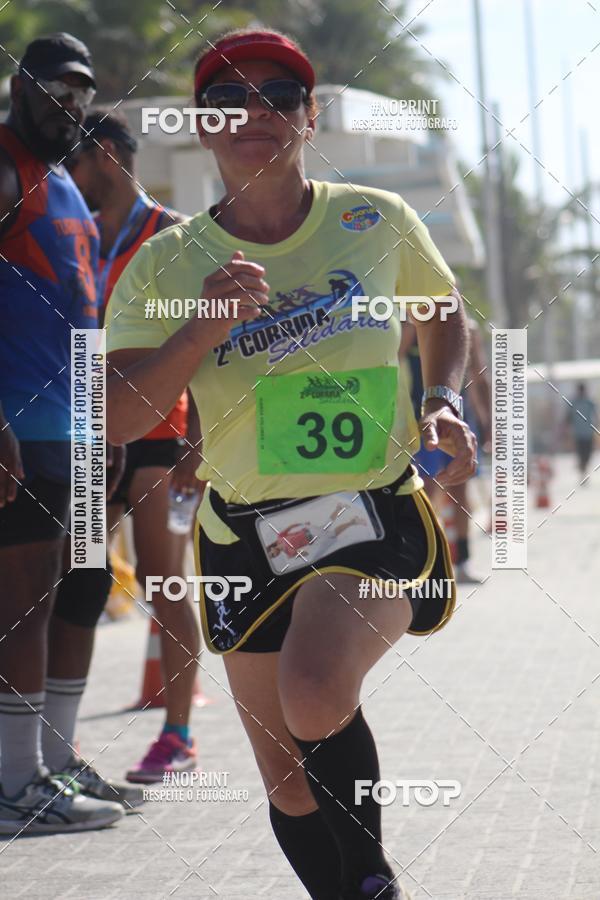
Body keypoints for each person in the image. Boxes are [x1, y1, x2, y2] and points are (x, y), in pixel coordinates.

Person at [104, 28, 477, 899]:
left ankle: (377, 885)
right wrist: (200, 329)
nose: (254, 114)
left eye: (278, 97)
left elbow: (442, 307)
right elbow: (118, 414)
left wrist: (443, 397)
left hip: (368, 510)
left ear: (309, 119)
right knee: (287, 779)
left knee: (314, 692)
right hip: (243, 534)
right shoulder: (166, 262)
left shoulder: (375, 219)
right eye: (229, 101)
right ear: (202, 126)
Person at [0, 33, 143, 834]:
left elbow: (83, 315)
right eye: (57, 88)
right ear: (21, 86)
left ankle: (53, 760)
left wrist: (107, 418)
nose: (72, 104)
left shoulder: (65, 185)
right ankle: (16, 785)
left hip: (82, 433)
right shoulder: (6, 165)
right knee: (19, 606)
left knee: (81, 592)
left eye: (82, 92)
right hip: (20, 428)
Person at [68, 109, 203, 782]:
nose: (68, 174)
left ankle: (177, 734)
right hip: (91, 441)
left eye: (78, 160)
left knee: (164, 582)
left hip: (162, 438)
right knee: (79, 580)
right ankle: (59, 745)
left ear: (110, 155)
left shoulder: (175, 235)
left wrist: (199, 443)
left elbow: (214, 344)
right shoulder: (80, 234)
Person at [404, 318, 490, 583]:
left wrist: (488, 421)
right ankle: (426, 564)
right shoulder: (410, 324)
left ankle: (462, 560)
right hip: (422, 413)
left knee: (460, 488)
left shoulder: (468, 328)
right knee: (426, 490)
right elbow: (393, 360)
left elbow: (478, 375)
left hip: (458, 414)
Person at [565, 382, 597, 480]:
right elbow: (568, 417)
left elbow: (595, 414)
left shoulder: (589, 402)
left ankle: (584, 469)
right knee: (580, 454)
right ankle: (582, 471)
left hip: (588, 432)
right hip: (578, 433)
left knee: (587, 454)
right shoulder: (573, 402)